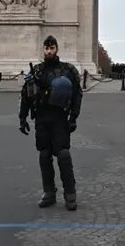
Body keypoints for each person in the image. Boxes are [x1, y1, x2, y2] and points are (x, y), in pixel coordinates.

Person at [19, 35, 83, 211]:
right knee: (44, 155)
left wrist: (73, 118)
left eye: (52, 48)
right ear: (43, 50)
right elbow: (25, 95)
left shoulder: (68, 70)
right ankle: (49, 192)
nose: (49, 51)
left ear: (57, 49)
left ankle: (70, 194)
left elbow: (77, 95)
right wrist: (22, 118)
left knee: (63, 155)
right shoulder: (36, 71)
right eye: (46, 48)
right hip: (41, 117)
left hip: (60, 118)